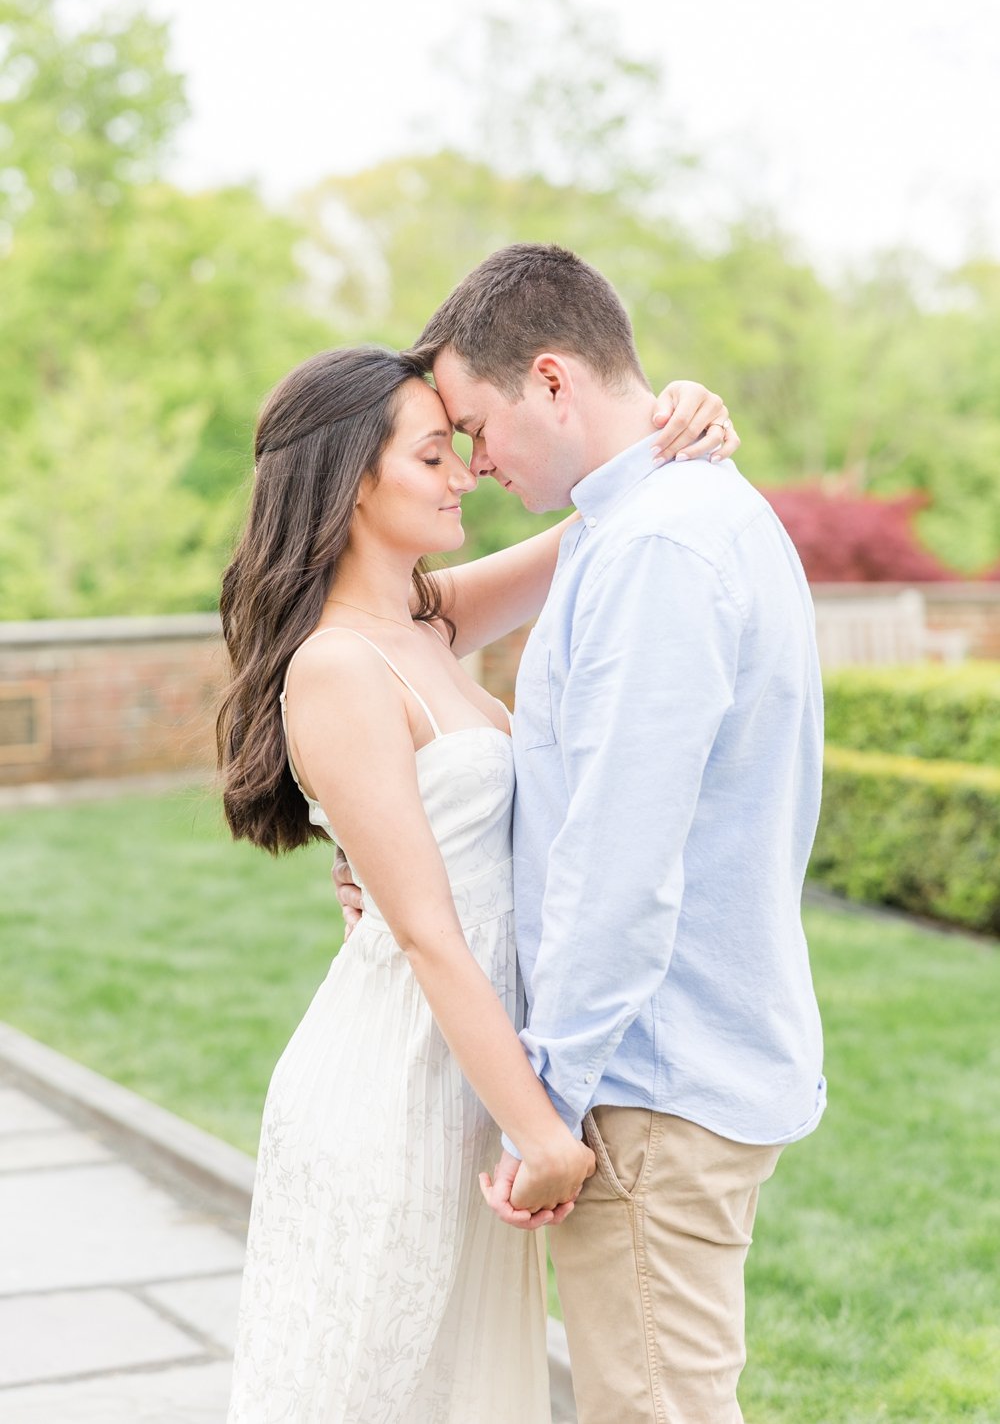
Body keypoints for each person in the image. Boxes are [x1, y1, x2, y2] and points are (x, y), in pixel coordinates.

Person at [339, 243, 827, 1423]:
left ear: (552, 379)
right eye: (440, 446)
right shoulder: (649, 516)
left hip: (646, 1084)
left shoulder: (656, 544)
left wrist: (546, 1105)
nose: (474, 462)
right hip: (673, 1066)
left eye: (476, 426)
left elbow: (621, 868)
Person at [217, 342, 737, 1423]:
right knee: (381, 1384)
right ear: (354, 476)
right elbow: (427, 933)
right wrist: (541, 1132)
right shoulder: (335, 665)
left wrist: (672, 421)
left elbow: (597, 518)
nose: (464, 475)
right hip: (397, 1081)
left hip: (465, 1076)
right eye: (433, 454)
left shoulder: (427, 620)